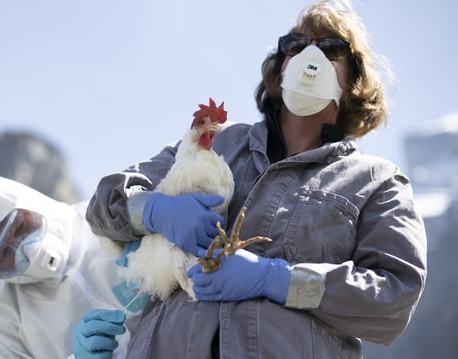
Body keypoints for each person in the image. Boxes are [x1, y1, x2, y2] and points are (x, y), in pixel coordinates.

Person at [85, 1, 427, 358]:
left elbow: (394, 298)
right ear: (281, 66)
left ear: (354, 76)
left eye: (331, 49)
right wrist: (154, 209)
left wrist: (276, 278)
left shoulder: (377, 182)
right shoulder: (216, 141)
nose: (311, 56)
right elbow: (103, 205)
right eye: (295, 46)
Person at [0, 172, 147, 359]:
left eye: (20, 226)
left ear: (29, 202)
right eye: (2, 253)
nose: (21, 247)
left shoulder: (107, 216)